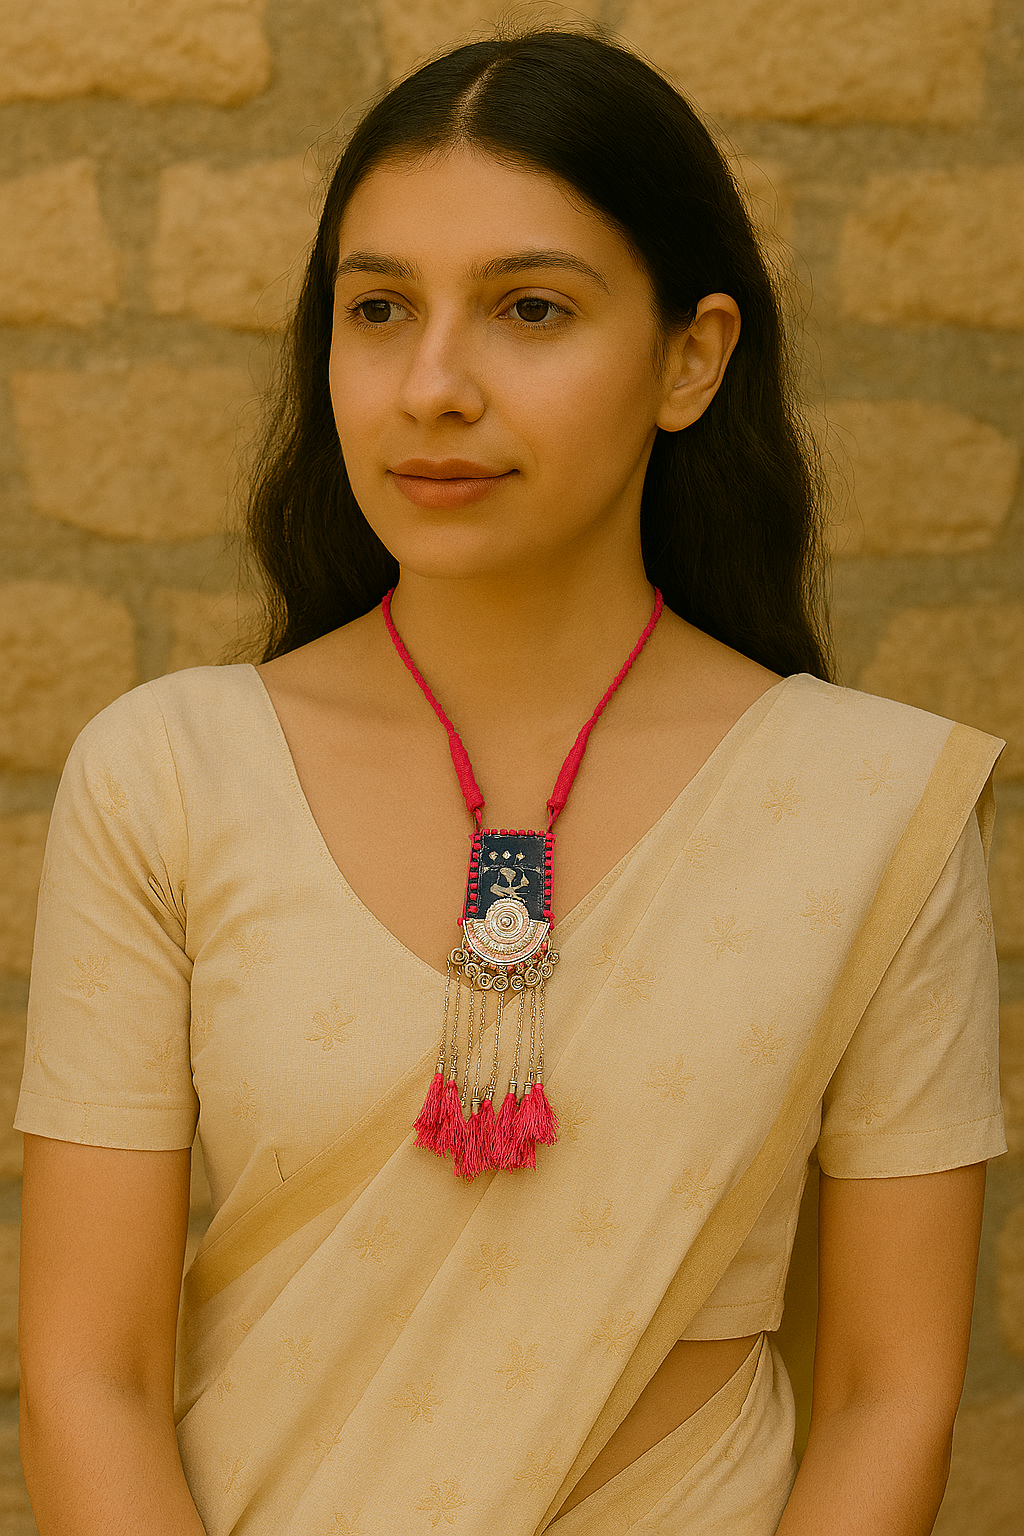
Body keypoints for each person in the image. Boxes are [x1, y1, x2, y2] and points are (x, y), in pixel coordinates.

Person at [16, 25, 1006, 1536]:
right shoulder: (169, 774)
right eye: (378, 309)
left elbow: (891, 1387)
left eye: (529, 309)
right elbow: (90, 1371)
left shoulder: (872, 806)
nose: (432, 384)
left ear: (693, 357)